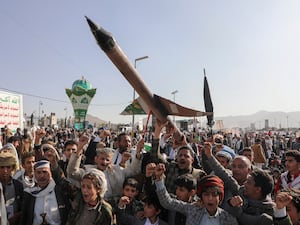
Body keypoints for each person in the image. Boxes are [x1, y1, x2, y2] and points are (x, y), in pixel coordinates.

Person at [152, 163, 238, 225]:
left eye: (214, 195)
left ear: (220, 197)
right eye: (206, 195)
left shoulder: (228, 219)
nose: (210, 198)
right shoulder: (193, 209)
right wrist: (159, 180)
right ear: (202, 197)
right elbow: (167, 202)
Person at [20, 160, 73, 225]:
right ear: (34, 174)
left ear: (50, 173)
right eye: (38, 172)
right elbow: (24, 218)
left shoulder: (60, 191)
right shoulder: (30, 194)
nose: (42, 176)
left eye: (45, 172)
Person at [0, 152, 23, 225]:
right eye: (2, 167)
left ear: (12, 168)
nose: (5, 171)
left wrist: (16, 216)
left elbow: (23, 207)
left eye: (8, 167)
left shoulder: (18, 185)